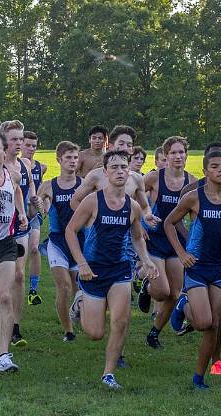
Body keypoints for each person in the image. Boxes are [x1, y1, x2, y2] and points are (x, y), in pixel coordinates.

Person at [65, 150, 158, 389]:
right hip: (93, 271)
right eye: (114, 167)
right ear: (105, 172)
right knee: (95, 333)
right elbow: (70, 231)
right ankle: (80, 302)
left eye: (123, 167)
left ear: (129, 173)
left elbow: (137, 238)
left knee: (120, 322)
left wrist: (146, 260)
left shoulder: (133, 206)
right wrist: (82, 264)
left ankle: (108, 373)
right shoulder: (93, 201)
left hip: (120, 270)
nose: (119, 171)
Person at [164, 149, 221, 389]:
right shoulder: (194, 197)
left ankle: (199, 377)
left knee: (214, 323)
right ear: (205, 171)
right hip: (197, 266)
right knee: (202, 322)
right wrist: (181, 253)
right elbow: (170, 222)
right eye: (215, 166)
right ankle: (184, 304)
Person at [138, 136, 196, 349]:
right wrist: (141, 224)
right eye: (173, 153)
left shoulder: (192, 182)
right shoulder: (154, 178)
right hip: (154, 238)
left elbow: (195, 216)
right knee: (161, 291)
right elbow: (135, 198)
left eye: (181, 152)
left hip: (177, 243)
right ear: (166, 155)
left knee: (174, 294)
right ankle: (146, 285)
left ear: (186, 155)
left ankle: (154, 333)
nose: (178, 156)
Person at [36, 141, 83, 342]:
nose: (73, 162)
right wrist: (38, 205)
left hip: (81, 243)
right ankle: (69, 331)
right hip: (57, 243)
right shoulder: (49, 186)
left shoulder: (84, 185)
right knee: (63, 286)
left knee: (77, 287)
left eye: (75, 158)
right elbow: (39, 211)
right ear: (59, 160)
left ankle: (79, 312)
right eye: (68, 158)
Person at [0, 120, 41, 348]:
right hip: (1, 227)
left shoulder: (25, 164)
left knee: (18, 275)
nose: (18, 143)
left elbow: (30, 190)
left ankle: (15, 326)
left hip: (21, 226)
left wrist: (33, 203)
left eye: (20, 139)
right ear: (4, 141)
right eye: (14, 139)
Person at [0, 131, 28, 372]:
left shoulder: (13, 175)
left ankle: (4, 356)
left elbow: (17, 191)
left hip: (6, 242)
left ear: (3, 150)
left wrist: (23, 213)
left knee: (4, 296)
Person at [23, 130, 47, 306]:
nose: (31, 149)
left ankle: (33, 290)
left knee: (33, 249)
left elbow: (41, 190)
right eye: (28, 145)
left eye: (34, 146)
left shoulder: (41, 167)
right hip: (17, 216)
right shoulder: (14, 165)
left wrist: (42, 202)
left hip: (34, 215)